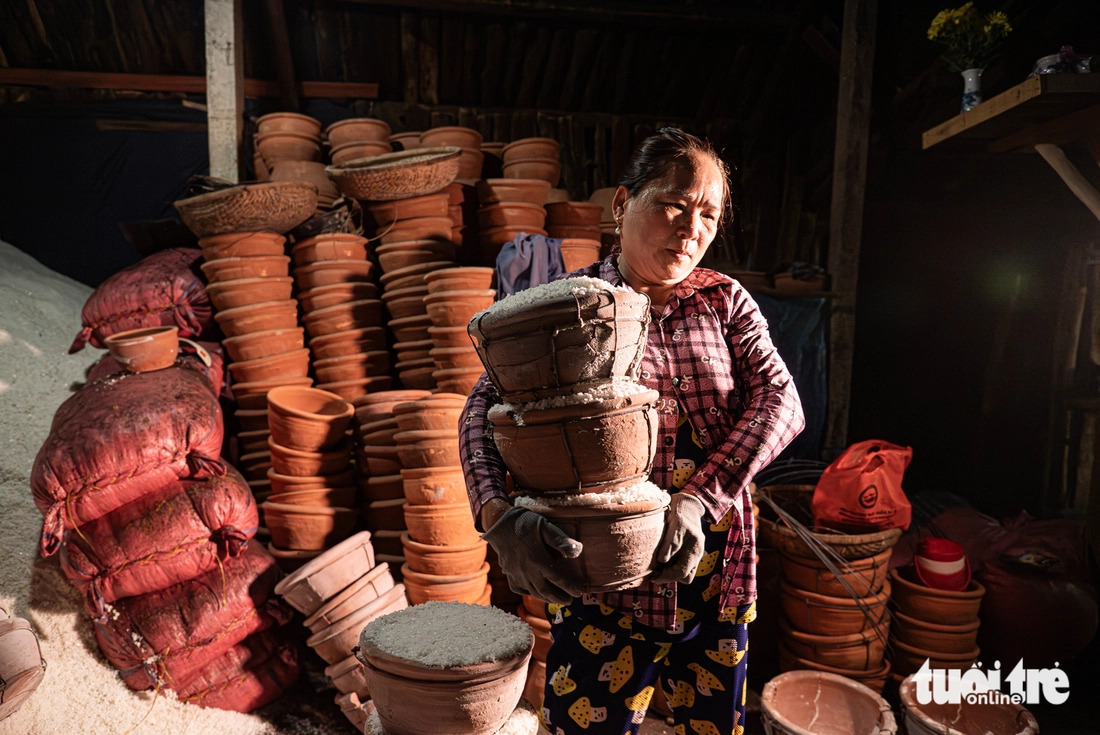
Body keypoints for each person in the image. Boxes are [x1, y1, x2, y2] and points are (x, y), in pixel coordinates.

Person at [459, 127, 805, 735]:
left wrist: (699, 500)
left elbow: (782, 402)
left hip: (712, 573)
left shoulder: (725, 302)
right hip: (602, 583)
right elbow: (480, 412)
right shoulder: (566, 306)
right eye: (674, 203)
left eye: (708, 214)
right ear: (623, 204)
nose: (690, 227)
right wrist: (498, 515)